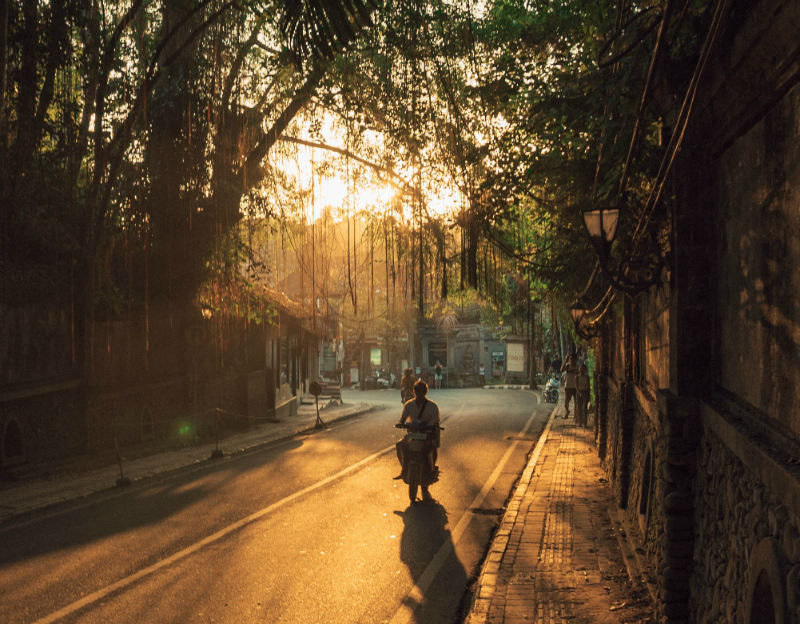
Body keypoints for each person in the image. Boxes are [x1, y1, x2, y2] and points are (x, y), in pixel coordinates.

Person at [394, 380, 441, 501]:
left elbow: (436, 423)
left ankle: (430, 471)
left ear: (425, 392)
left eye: (421, 392)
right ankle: (404, 468)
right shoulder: (408, 405)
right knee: (400, 445)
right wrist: (401, 424)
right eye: (417, 392)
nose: (419, 395)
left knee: (431, 449)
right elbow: (402, 419)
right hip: (413, 435)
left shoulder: (432, 406)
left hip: (427, 435)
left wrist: (434, 430)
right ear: (414, 392)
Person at [560, 353, 579, 418]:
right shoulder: (567, 366)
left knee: (576, 402)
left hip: (576, 387)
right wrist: (565, 361)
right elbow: (561, 370)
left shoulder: (578, 367)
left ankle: (576, 416)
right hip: (568, 386)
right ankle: (567, 411)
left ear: (576, 359)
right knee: (566, 402)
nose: (571, 360)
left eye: (573, 359)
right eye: (570, 358)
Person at [576, 363, 591, 427]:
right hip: (579, 393)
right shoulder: (577, 377)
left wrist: (588, 394)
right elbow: (576, 387)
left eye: (583, 368)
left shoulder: (587, 377)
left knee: (584, 408)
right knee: (579, 408)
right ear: (579, 369)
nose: (581, 370)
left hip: (585, 392)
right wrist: (579, 393)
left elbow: (588, 386)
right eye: (580, 368)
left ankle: (584, 423)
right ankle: (580, 422)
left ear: (585, 370)